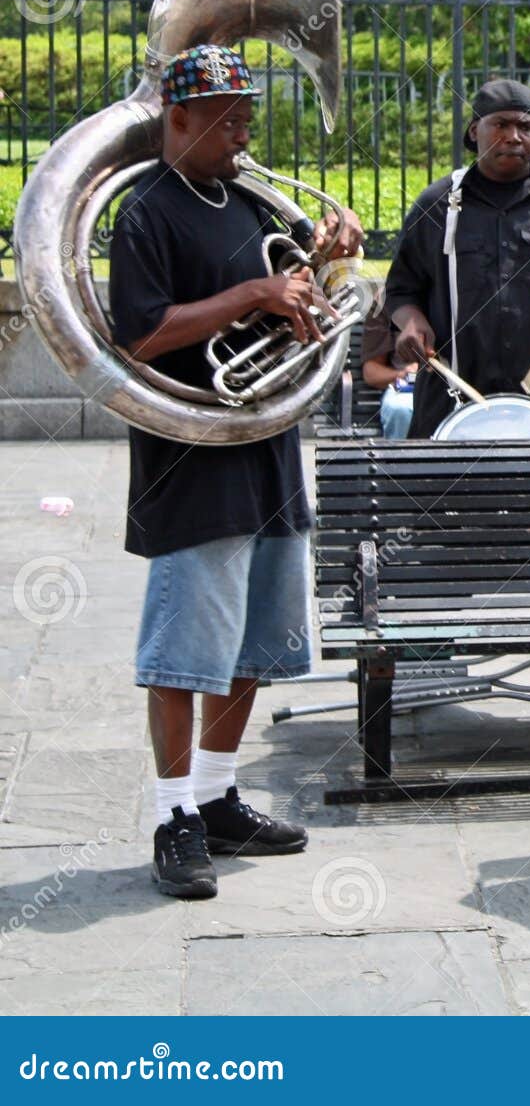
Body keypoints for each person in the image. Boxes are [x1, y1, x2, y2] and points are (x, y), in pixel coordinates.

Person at [108, 44, 362, 900]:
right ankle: (173, 816)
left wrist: (319, 269)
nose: (246, 130)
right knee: (186, 651)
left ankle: (217, 797)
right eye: (229, 116)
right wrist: (253, 297)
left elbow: (300, 317)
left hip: (266, 441)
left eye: (249, 111)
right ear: (177, 118)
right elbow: (140, 337)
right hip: (191, 454)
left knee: (255, 640)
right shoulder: (147, 213)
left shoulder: (248, 201)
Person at [385, 79, 530, 436]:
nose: (514, 136)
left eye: (525, 126)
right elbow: (401, 292)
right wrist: (412, 323)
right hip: (452, 403)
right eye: (501, 125)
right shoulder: (436, 204)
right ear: (474, 131)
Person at [359, 287, 415, 440]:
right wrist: (403, 374)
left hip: (458, 385)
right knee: (400, 409)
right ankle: (400, 462)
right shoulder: (385, 298)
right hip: (409, 389)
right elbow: (371, 372)